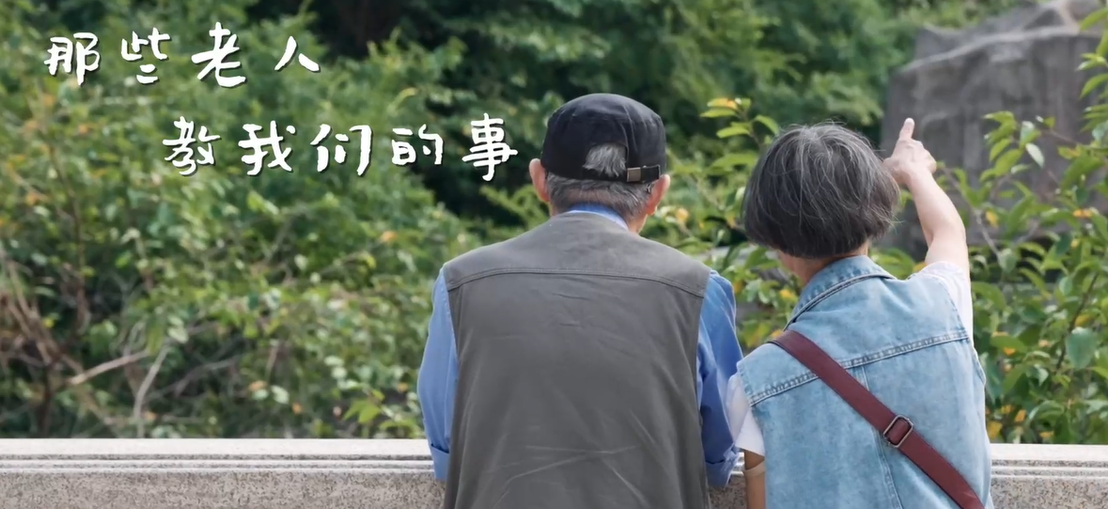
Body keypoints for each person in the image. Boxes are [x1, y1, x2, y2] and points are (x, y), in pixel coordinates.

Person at [417, 93, 745, 509]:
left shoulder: (461, 284)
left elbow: (448, 450)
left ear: (539, 179)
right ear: (658, 193)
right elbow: (719, 455)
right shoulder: (699, 290)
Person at [730, 119, 994, 509]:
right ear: (877, 211)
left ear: (775, 241)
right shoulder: (943, 304)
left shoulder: (754, 382)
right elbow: (947, 234)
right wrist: (914, 170)